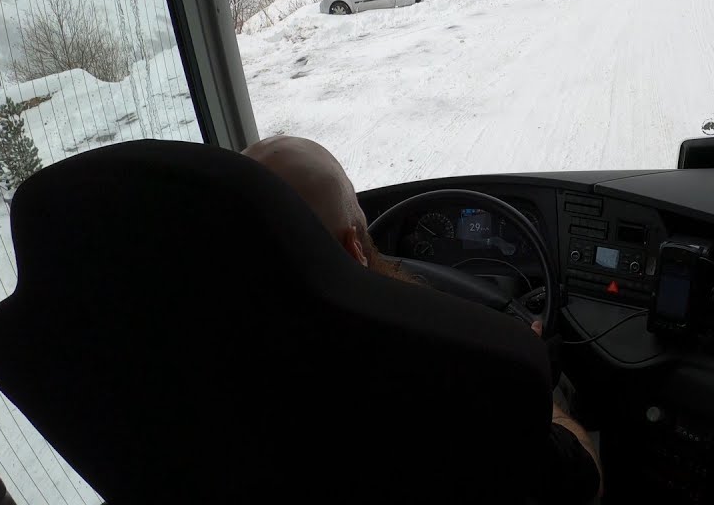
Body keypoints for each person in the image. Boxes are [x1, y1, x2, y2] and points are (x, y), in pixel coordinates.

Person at [243, 135, 603, 504]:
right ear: (355, 251)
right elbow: (583, 482)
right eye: (358, 211)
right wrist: (535, 385)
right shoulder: (452, 386)